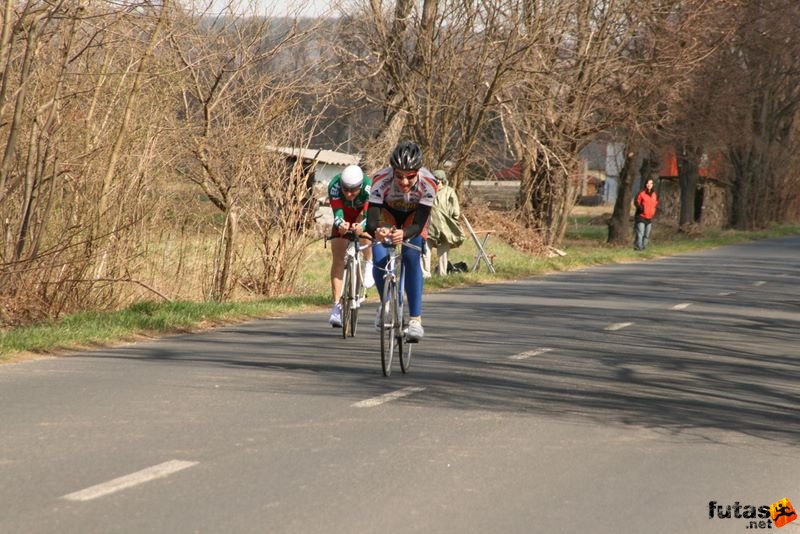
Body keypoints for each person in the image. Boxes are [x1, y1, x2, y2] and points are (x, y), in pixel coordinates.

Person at [366, 140, 438, 342]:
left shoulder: (429, 183)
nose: (404, 182)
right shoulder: (380, 179)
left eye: (410, 177)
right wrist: (378, 231)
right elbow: (371, 221)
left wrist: (404, 234)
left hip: (413, 219)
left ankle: (415, 320)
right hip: (388, 214)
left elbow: (419, 223)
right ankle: (386, 304)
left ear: (418, 172)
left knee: (411, 254)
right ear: (392, 171)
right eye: (399, 176)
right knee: (380, 255)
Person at [327, 164, 374, 327]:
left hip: (362, 215)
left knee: (365, 233)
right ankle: (336, 306)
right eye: (345, 189)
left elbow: (370, 214)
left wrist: (363, 226)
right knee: (338, 256)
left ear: (360, 186)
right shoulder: (334, 185)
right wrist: (340, 225)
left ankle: (369, 262)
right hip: (345, 216)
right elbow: (337, 212)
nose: (348, 193)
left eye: (353, 190)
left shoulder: (369, 186)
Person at [423, 169, 464, 276]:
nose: (437, 181)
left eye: (439, 179)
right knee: (425, 251)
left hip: (444, 227)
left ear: (443, 180)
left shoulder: (449, 191)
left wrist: (452, 221)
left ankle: (442, 274)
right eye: (435, 179)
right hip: (428, 226)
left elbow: (455, 211)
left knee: (443, 252)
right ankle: (426, 275)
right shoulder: (427, 190)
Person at [634, 177, 658, 251]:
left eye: (651, 183)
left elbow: (656, 203)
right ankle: (639, 248)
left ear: (653, 185)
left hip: (649, 217)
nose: (649, 185)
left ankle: (644, 248)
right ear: (645, 184)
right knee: (640, 233)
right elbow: (636, 202)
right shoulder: (641, 193)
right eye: (648, 183)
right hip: (641, 216)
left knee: (646, 235)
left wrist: (654, 211)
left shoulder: (654, 194)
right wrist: (641, 209)